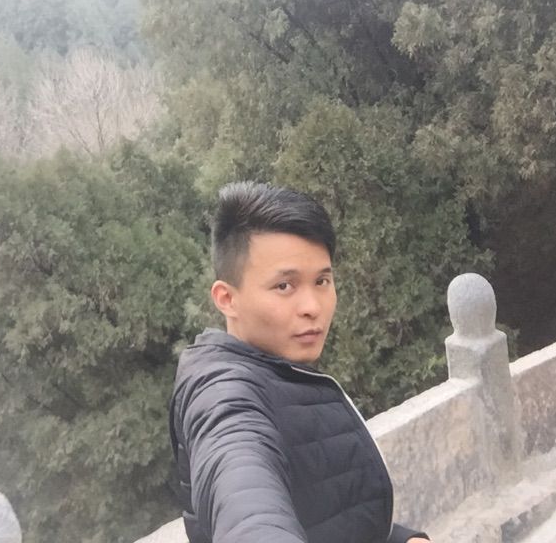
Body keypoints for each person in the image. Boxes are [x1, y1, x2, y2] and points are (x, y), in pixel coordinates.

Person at [169, 182, 431, 543]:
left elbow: (330, 514)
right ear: (227, 299)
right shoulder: (221, 393)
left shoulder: (286, 374)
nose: (312, 306)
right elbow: (245, 496)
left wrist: (401, 538)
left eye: (322, 280)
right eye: (285, 286)